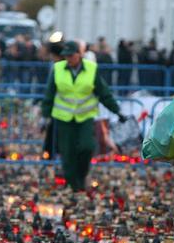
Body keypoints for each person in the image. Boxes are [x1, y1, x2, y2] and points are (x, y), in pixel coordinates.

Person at [41, 41, 127, 191]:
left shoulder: (91, 69)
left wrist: (117, 111)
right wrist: (44, 117)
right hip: (64, 118)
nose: (68, 58)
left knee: (87, 147)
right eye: (65, 55)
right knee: (67, 153)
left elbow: (103, 93)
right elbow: (50, 94)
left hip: (85, 117)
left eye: (71, 55)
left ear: (79, 55)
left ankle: (81, 175)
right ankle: (74, 185)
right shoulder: (58, 69)